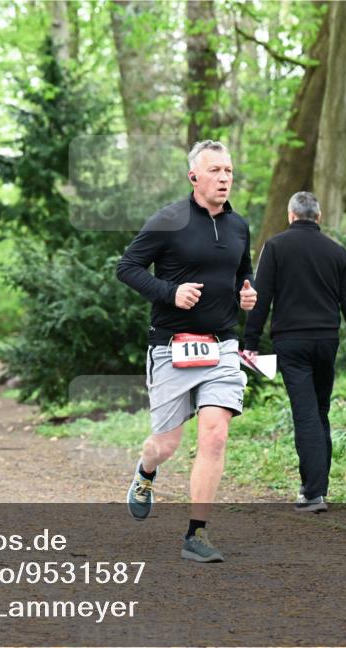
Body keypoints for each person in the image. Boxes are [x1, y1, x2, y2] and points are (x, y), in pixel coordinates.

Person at [116, 139, 256, 563]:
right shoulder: (169, 219)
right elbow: (127, 268)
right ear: (194, 176)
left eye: (229, 171)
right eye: (215, 171)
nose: (224, 178)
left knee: (215, 434)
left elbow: (242, 272)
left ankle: (197, 533)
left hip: (221, 347)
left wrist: (246, 294)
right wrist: (170, 292)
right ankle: (146, 472)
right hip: (172, 348)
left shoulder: (239, 226)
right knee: (166, 444)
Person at [242, 192, 346, 513]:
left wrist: (250, 342)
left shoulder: (275, 247)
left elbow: (262, 296)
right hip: (327, 341)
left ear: (290, 215)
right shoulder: (336, 252)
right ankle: (317, 487)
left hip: (292, 343)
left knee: (305, 413)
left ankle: (313, 493)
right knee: (320, 410)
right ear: (319, 217)